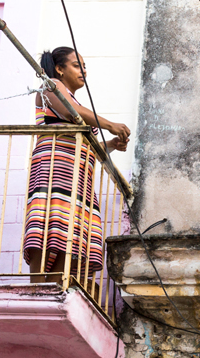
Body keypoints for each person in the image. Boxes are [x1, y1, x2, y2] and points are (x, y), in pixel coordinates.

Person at [24, 47, 130, 283]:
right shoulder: (49, 86)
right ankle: (40, 285)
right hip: (56, 166)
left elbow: (88, 142)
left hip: (78, 173)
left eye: (84, 67)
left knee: (72, 231)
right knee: (52, 223)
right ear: (59, 69)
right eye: (76, 65)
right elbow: (71, 113)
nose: (83, 71)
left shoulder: (74, 99)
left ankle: (55, 283)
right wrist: (110, 124)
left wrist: (110, 143)